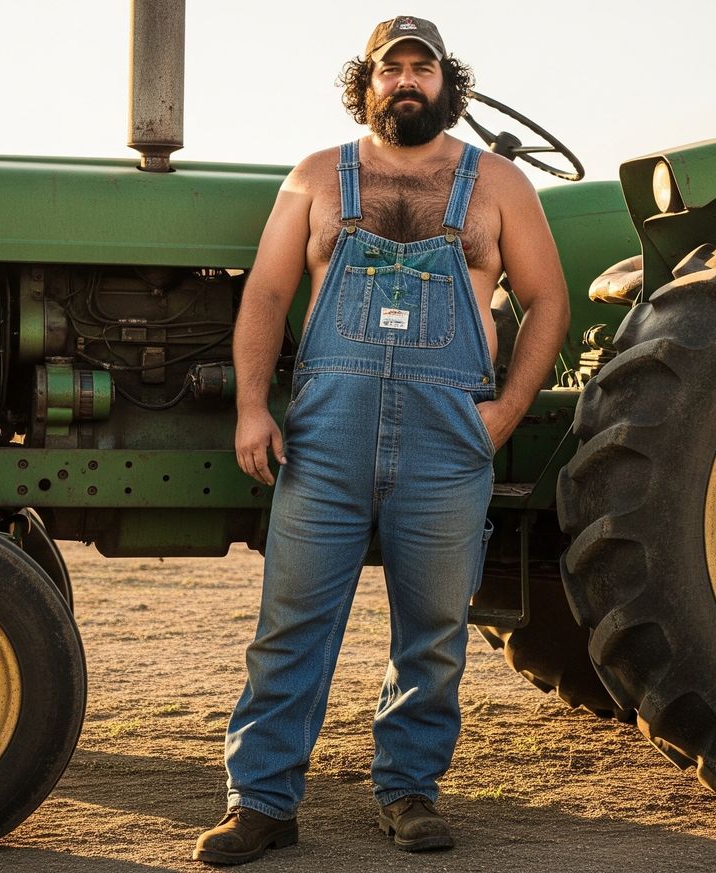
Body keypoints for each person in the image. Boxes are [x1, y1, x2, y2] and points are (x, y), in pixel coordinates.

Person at [194, 15, 569, 865]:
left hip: (448, 437)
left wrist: (505, 411)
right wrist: (254, 407)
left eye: (421, 68)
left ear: (448, 83)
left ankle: (407, 791)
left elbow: (549, 300)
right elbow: (265, 295)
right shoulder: (318, 176)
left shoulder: (499, 183)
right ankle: (261, 802)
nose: (406, 80)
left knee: (433, 630)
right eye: (389, 68)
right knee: (291, 622)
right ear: (364, 83)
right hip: (326, 436)